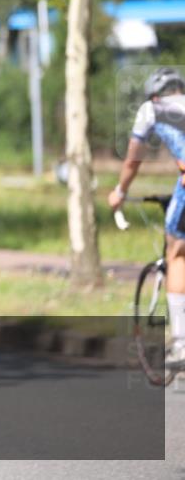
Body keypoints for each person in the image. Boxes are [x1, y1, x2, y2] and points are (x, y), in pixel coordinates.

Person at [109, 67, 185, 362]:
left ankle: (181, 343)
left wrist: (120, 192)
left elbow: (132, 160)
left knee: (177, 253)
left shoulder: (151, 108)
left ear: (154, 93)